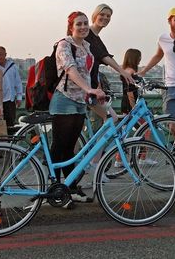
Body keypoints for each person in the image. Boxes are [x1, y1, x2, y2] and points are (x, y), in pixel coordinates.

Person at [49, 11, 105, 208]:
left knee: (70, 148)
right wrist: (88, 89)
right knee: (59, 146)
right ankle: (55, 189)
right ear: (71, 27)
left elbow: (89, 74)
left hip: (81, 101)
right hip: (64, 100)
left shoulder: (87, 47)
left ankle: (70, 187)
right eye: (78, 24)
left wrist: (94, 92)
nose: (83, 27)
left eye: (85, 24)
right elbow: (71, 70)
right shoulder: (64, 45)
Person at [85, 4, 133, 122]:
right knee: (111, 118)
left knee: (111, 118)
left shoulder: (96, 37)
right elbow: (104, 57)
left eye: (108, 16)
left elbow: (104, 56)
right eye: (102, 14)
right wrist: (123, 72)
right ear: (95, 15)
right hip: (81, 87)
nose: (105, 18)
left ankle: (98, 141)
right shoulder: (87, 34)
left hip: (91, 86)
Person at [0, 46, 23, 130]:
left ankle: (9, 142)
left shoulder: (12, 66)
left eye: (1, 54)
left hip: (10, 100)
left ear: (5, 55)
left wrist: (19, 97)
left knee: (10, 125)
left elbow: (18, 83)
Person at [120, 48, 141, 115]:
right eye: (139, 57)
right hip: (130, 102)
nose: (140, 59)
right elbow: (130, 91)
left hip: (125, 101)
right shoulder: (131, 72)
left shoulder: (125, 70)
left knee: (127, 124)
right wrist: (134, 106)